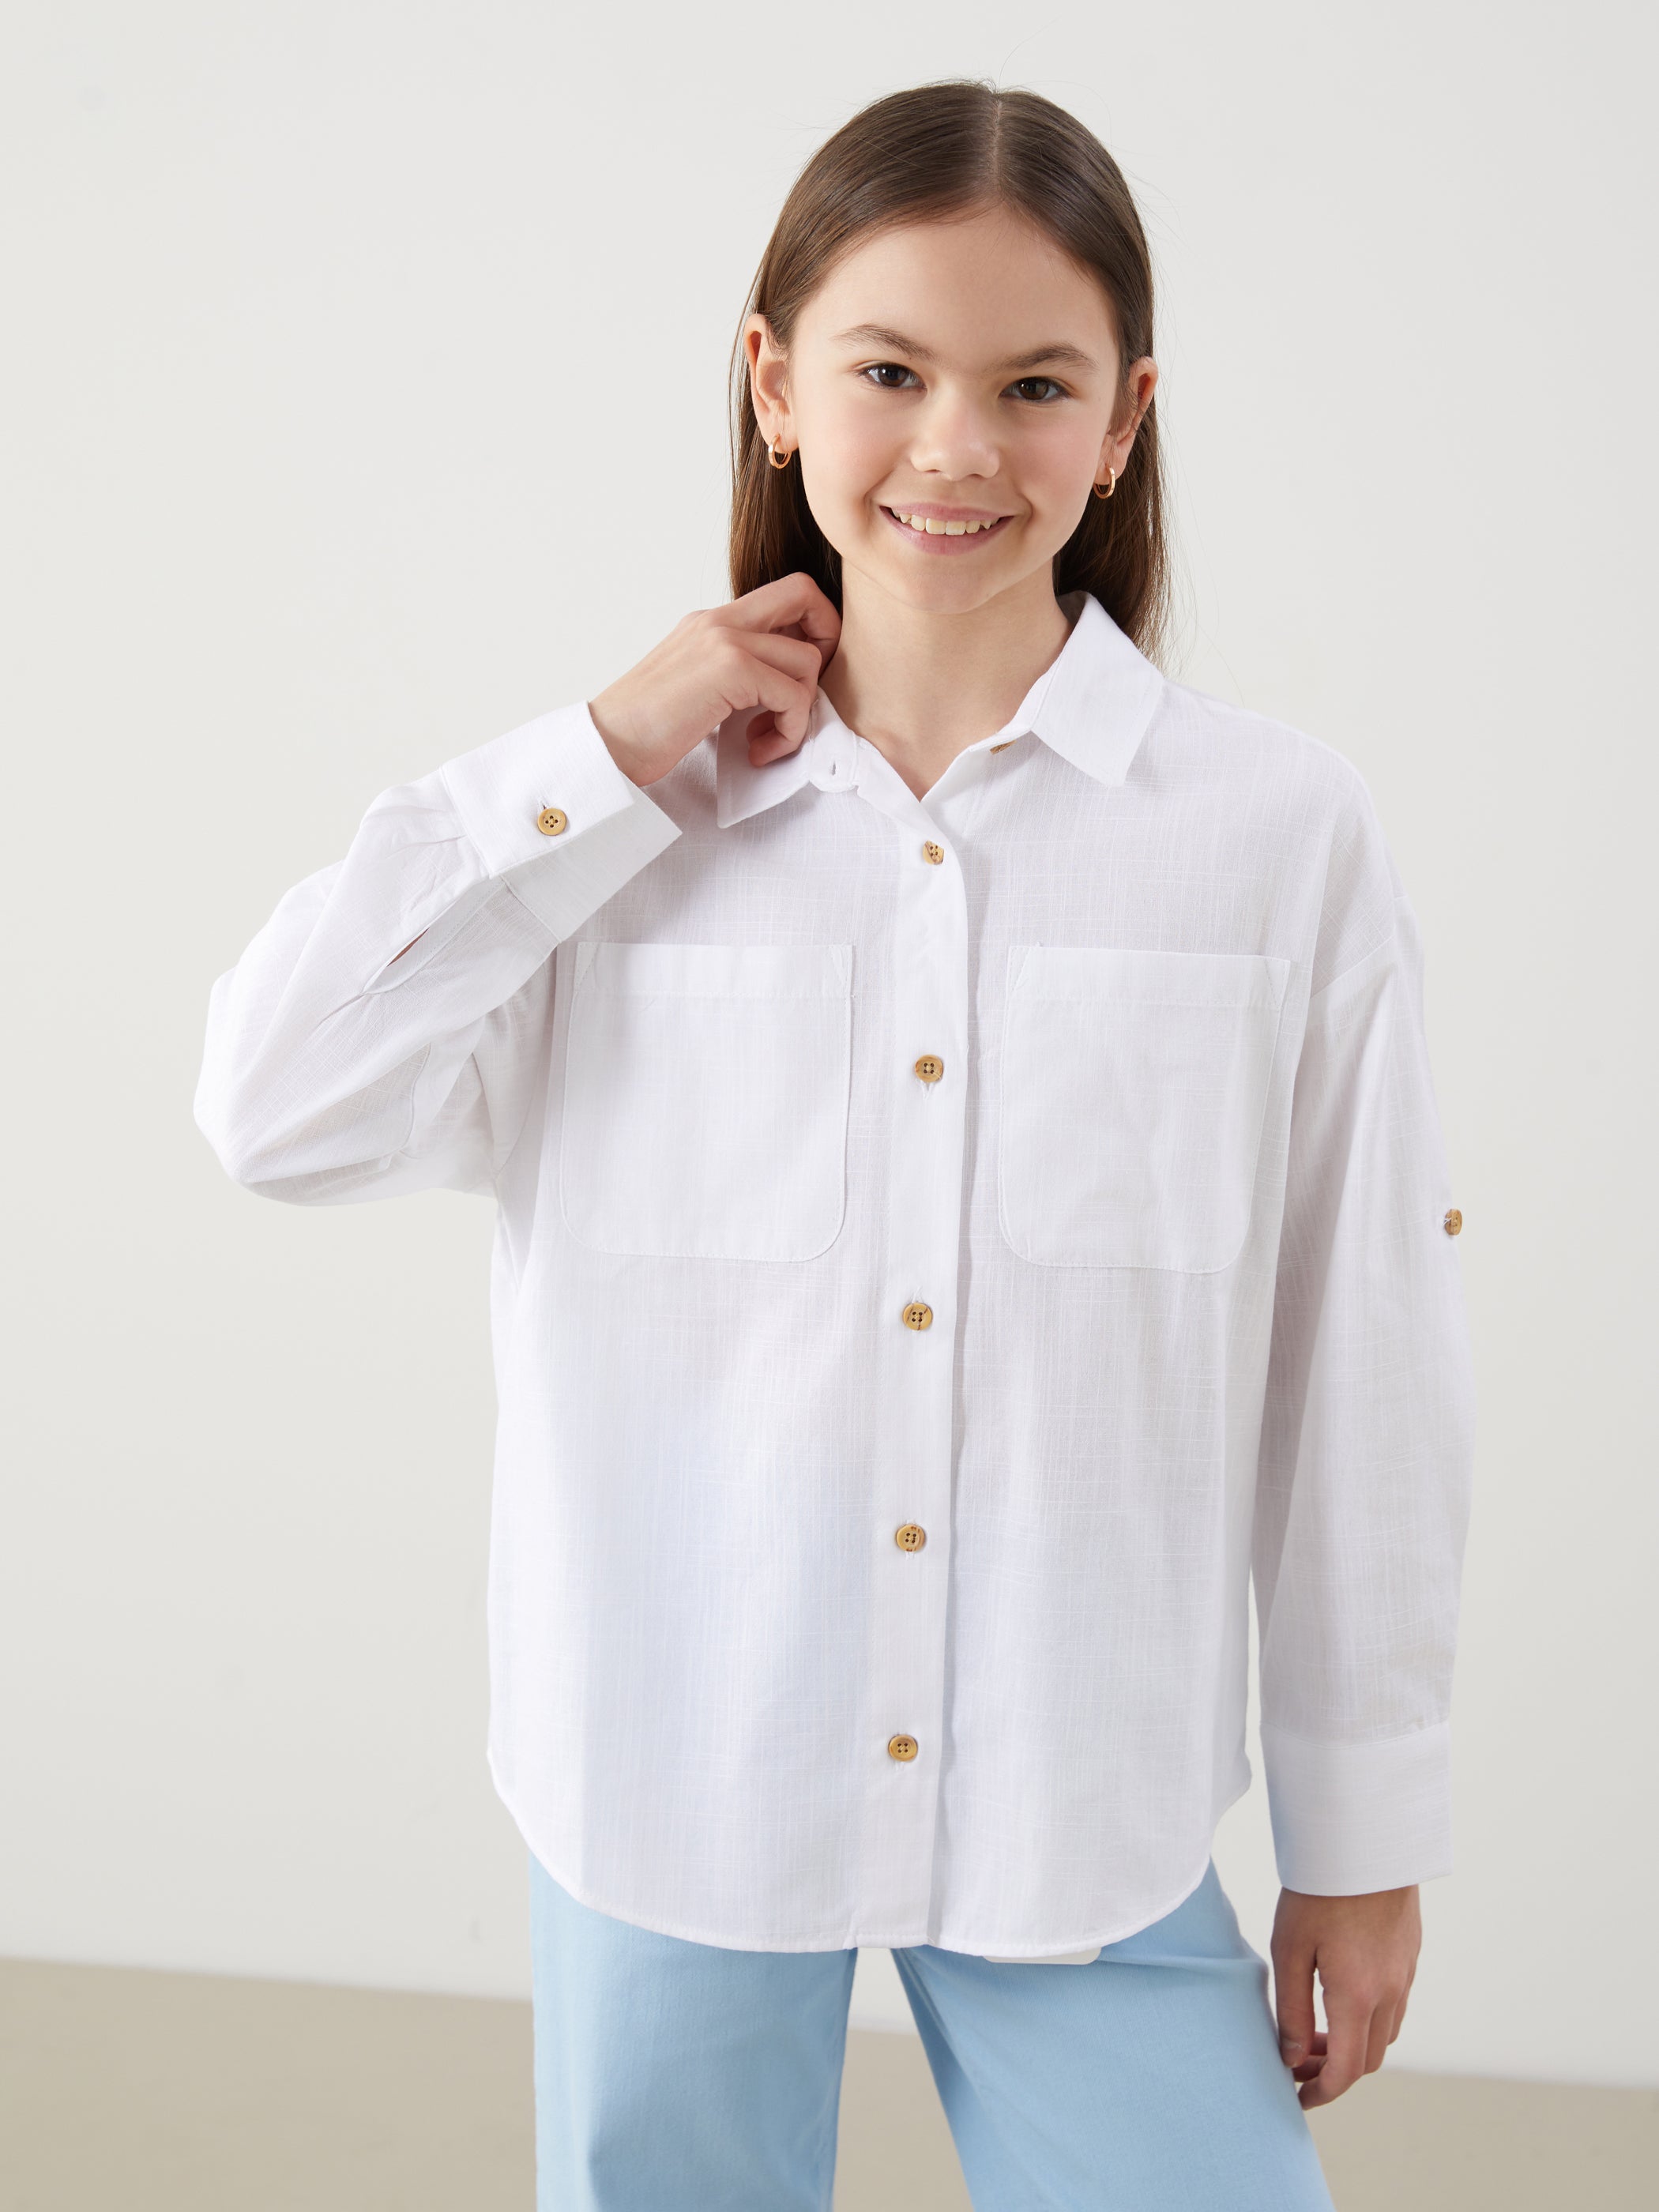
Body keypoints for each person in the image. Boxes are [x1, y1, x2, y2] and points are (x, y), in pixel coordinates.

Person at [194, 77, 1475, 2212]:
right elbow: (272, 1107)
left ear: (1125, 421)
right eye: (889, 372)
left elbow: (1366, 1363)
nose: (957, 445)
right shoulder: (607, 836)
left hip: (1083, 1801)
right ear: (775, 384)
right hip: (669, 1782)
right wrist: (599, 756)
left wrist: (1365, 1837)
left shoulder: (1275, 837)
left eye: (1033, 384)